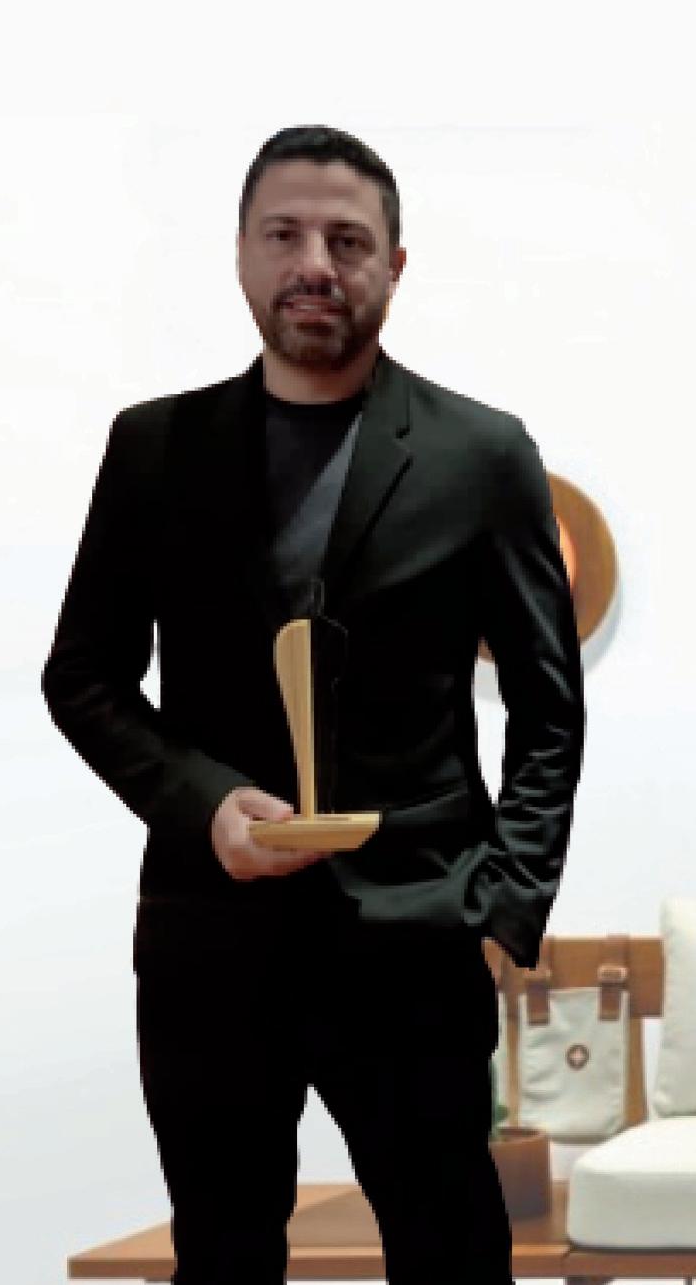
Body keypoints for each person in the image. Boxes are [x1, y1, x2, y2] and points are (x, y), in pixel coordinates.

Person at [42, 123, 586, 1284]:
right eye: (284, 235)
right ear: (241, 253)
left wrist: (506, 900)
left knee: (453, 1254)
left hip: (416, 935)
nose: (314, 264)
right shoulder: (151, 448)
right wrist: (204, 803)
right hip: (208, 938)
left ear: (396, 264)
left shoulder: (484, 453)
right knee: (223, 1255)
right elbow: (81, 675)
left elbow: (548, 706)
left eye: (347, 240)